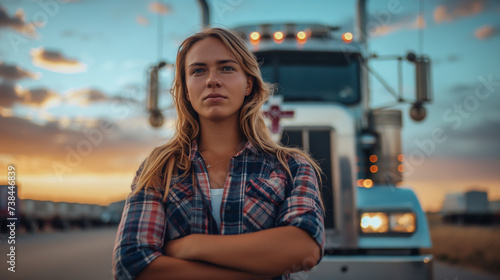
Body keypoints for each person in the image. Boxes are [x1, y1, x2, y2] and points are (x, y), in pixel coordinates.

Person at [113, 27, 325, 280]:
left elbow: (304, 250)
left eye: (226, 68)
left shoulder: (291, 166)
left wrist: (189, 245)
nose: (212, 79)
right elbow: (132, 265)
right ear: (187, 90)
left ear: (248, 83)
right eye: (198, 71)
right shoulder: (160, 168)